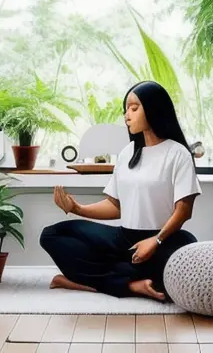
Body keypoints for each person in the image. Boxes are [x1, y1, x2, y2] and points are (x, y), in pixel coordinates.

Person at [39, 81, 201, 301]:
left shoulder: (178, 153)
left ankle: (90, 280)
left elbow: (183, 211)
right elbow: (115, 206)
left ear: (154, 108)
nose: (127, 115)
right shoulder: (127, 153)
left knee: (187, 254)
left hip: (162, 240)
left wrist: (156, 241)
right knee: (52, 234)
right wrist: (76, 208)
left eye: (134, 108)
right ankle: (133, 285)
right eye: (125, 110)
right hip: (123, 239)